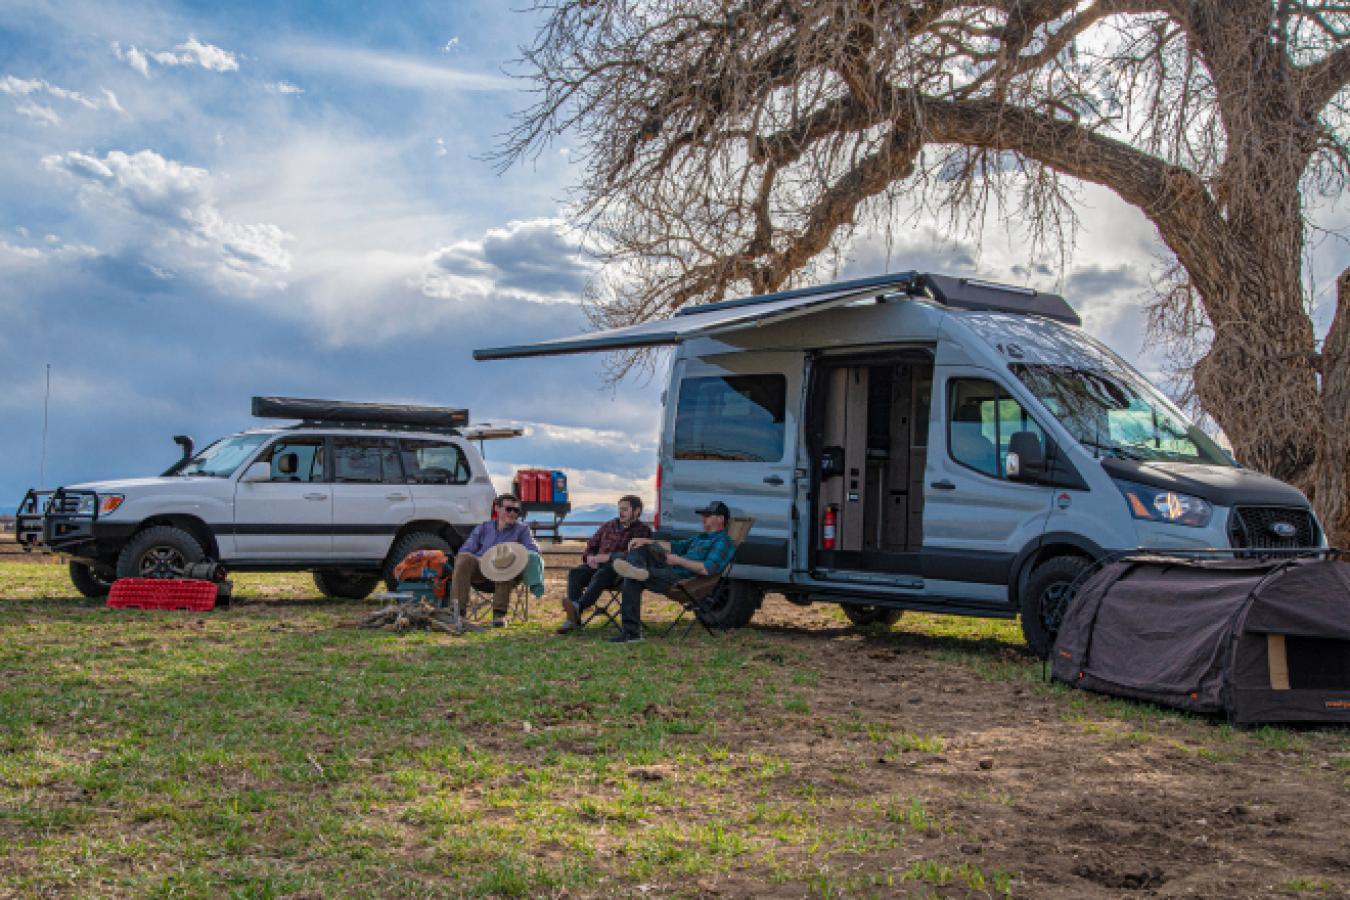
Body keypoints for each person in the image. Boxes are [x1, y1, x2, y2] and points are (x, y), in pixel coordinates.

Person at [607, 500, 735, 643]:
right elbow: (674, 546)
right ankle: (638, 569)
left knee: (632, 577)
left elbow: (707, 569)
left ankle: (632, 634)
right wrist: (646, 541)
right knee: (639, 550)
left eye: (708, 515)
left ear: (720, 519)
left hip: (682, 579)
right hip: (669, 568)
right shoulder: (700, 537)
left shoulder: (724, 542)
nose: (703, 518)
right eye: (703, 515)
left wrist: (679, 561)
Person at [557, 494, 652, 634]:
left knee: (604, 571)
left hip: (621, 572)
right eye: (620, 509)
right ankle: (573, 620)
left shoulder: (643, 531)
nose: (621, 512)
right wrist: (589, 557)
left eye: (625, 509)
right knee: (575, 573)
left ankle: (578, 607)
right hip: (596, 567)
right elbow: (591, 545)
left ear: (637, 511)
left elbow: (636, 556)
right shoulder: (608, 525)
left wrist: (608, 557)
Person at [451, 493, 540, 627]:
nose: (512, 513)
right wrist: (482, 560)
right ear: (497, 509)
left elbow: (533, 550)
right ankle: (458, 612)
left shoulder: (522, 529)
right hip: (482, 571)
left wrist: (514, 556)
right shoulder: (484, 527)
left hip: (507, 575)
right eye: (509, 509)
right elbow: (466, 549)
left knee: (503, 562)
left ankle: (499, 615)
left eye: (516, 510)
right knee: (464, 558)